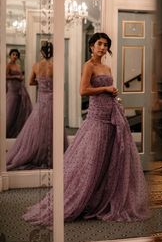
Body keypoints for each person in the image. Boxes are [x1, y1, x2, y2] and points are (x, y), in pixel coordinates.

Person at [23, 32, 149, 225]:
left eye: (106, 45)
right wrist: (105, 89)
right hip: (97, 117)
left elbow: (107, 89)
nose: (103, 47)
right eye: (99, 44)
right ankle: (82, 197)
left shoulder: (106, 67)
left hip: (111, 113)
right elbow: (83, 90)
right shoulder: (88, 66)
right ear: (91, 46)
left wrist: (114, 94)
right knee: (91, 158)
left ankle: (101, 197)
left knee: (108, 158)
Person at [7, 41, 68, 170]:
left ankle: (37, 152)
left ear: (41, 52)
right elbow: (59, 84)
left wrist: (41, 84)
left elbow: (30, 82)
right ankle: (55, 154)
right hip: (53, 99)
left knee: (39, 126)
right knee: (53, 125)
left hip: (42, 99)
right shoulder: (55, 66)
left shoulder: (36, 66)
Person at [6, 48, 32, 138]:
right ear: (10, 55)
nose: (15, 56)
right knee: (10, 109)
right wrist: (16, 77)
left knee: (18, 109)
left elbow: (20, 75)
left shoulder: (17, 66)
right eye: (13, 54)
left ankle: (16, 132)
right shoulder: (8, 65)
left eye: (16, 55)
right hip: (12, 88)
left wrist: (21, 77)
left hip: (19, 88)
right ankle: (6, 131)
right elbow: (5, 76)